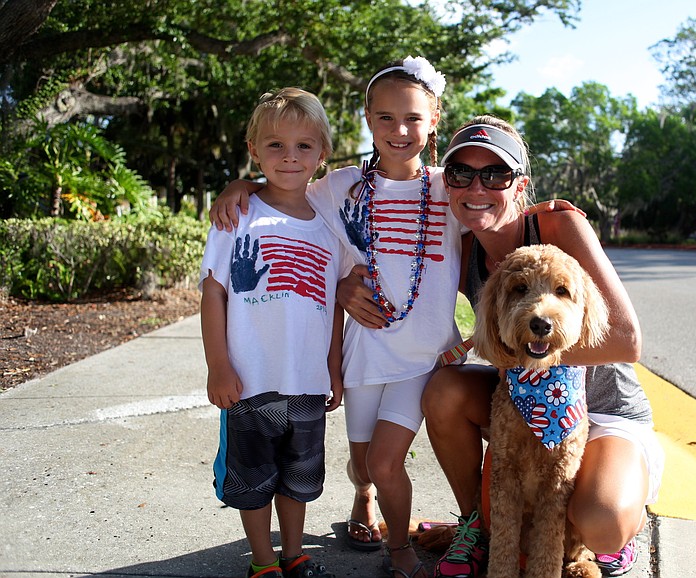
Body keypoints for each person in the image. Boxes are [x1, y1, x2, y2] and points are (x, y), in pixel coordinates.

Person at [210, 57, 461, 578]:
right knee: (366, 464)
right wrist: (241, 186)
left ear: (433, 120)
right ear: (367, 118)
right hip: (364, 350)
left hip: (423, 357)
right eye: (385, 117)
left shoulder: (450, 190)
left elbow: (496, 227)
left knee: (389, 463)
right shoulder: (341, 187)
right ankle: (361, 497)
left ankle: (399, 550)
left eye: (413, 118)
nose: (399, 130)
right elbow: (284, 190)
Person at [423, 116, 664, 578]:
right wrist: (251, 190)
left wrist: (531, 347)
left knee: (602, 521)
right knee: (444, 391)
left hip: (605, 410)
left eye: (495, 174)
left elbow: (627, 340)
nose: (478, 186)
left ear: (520, 185)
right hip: (520, 402)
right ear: (447, 184)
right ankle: (477, 523)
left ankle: (611, 536)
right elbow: (382, 255)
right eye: (462, 174)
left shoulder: (557, 224)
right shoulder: (459, 250)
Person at [200, 87, 344, 578]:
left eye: (304, 146)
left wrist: (333, 369)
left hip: (306, 382)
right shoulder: (236, 216)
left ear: (322, 155)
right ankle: (262, 563)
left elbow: (332, 305)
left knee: (298, 478)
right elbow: (213, 293)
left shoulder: (328, 226)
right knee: (253, 479)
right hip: (249, 380)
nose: (290, 156)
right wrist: (219, 365)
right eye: (276, 145)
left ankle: (294, 553)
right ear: (253, 150)